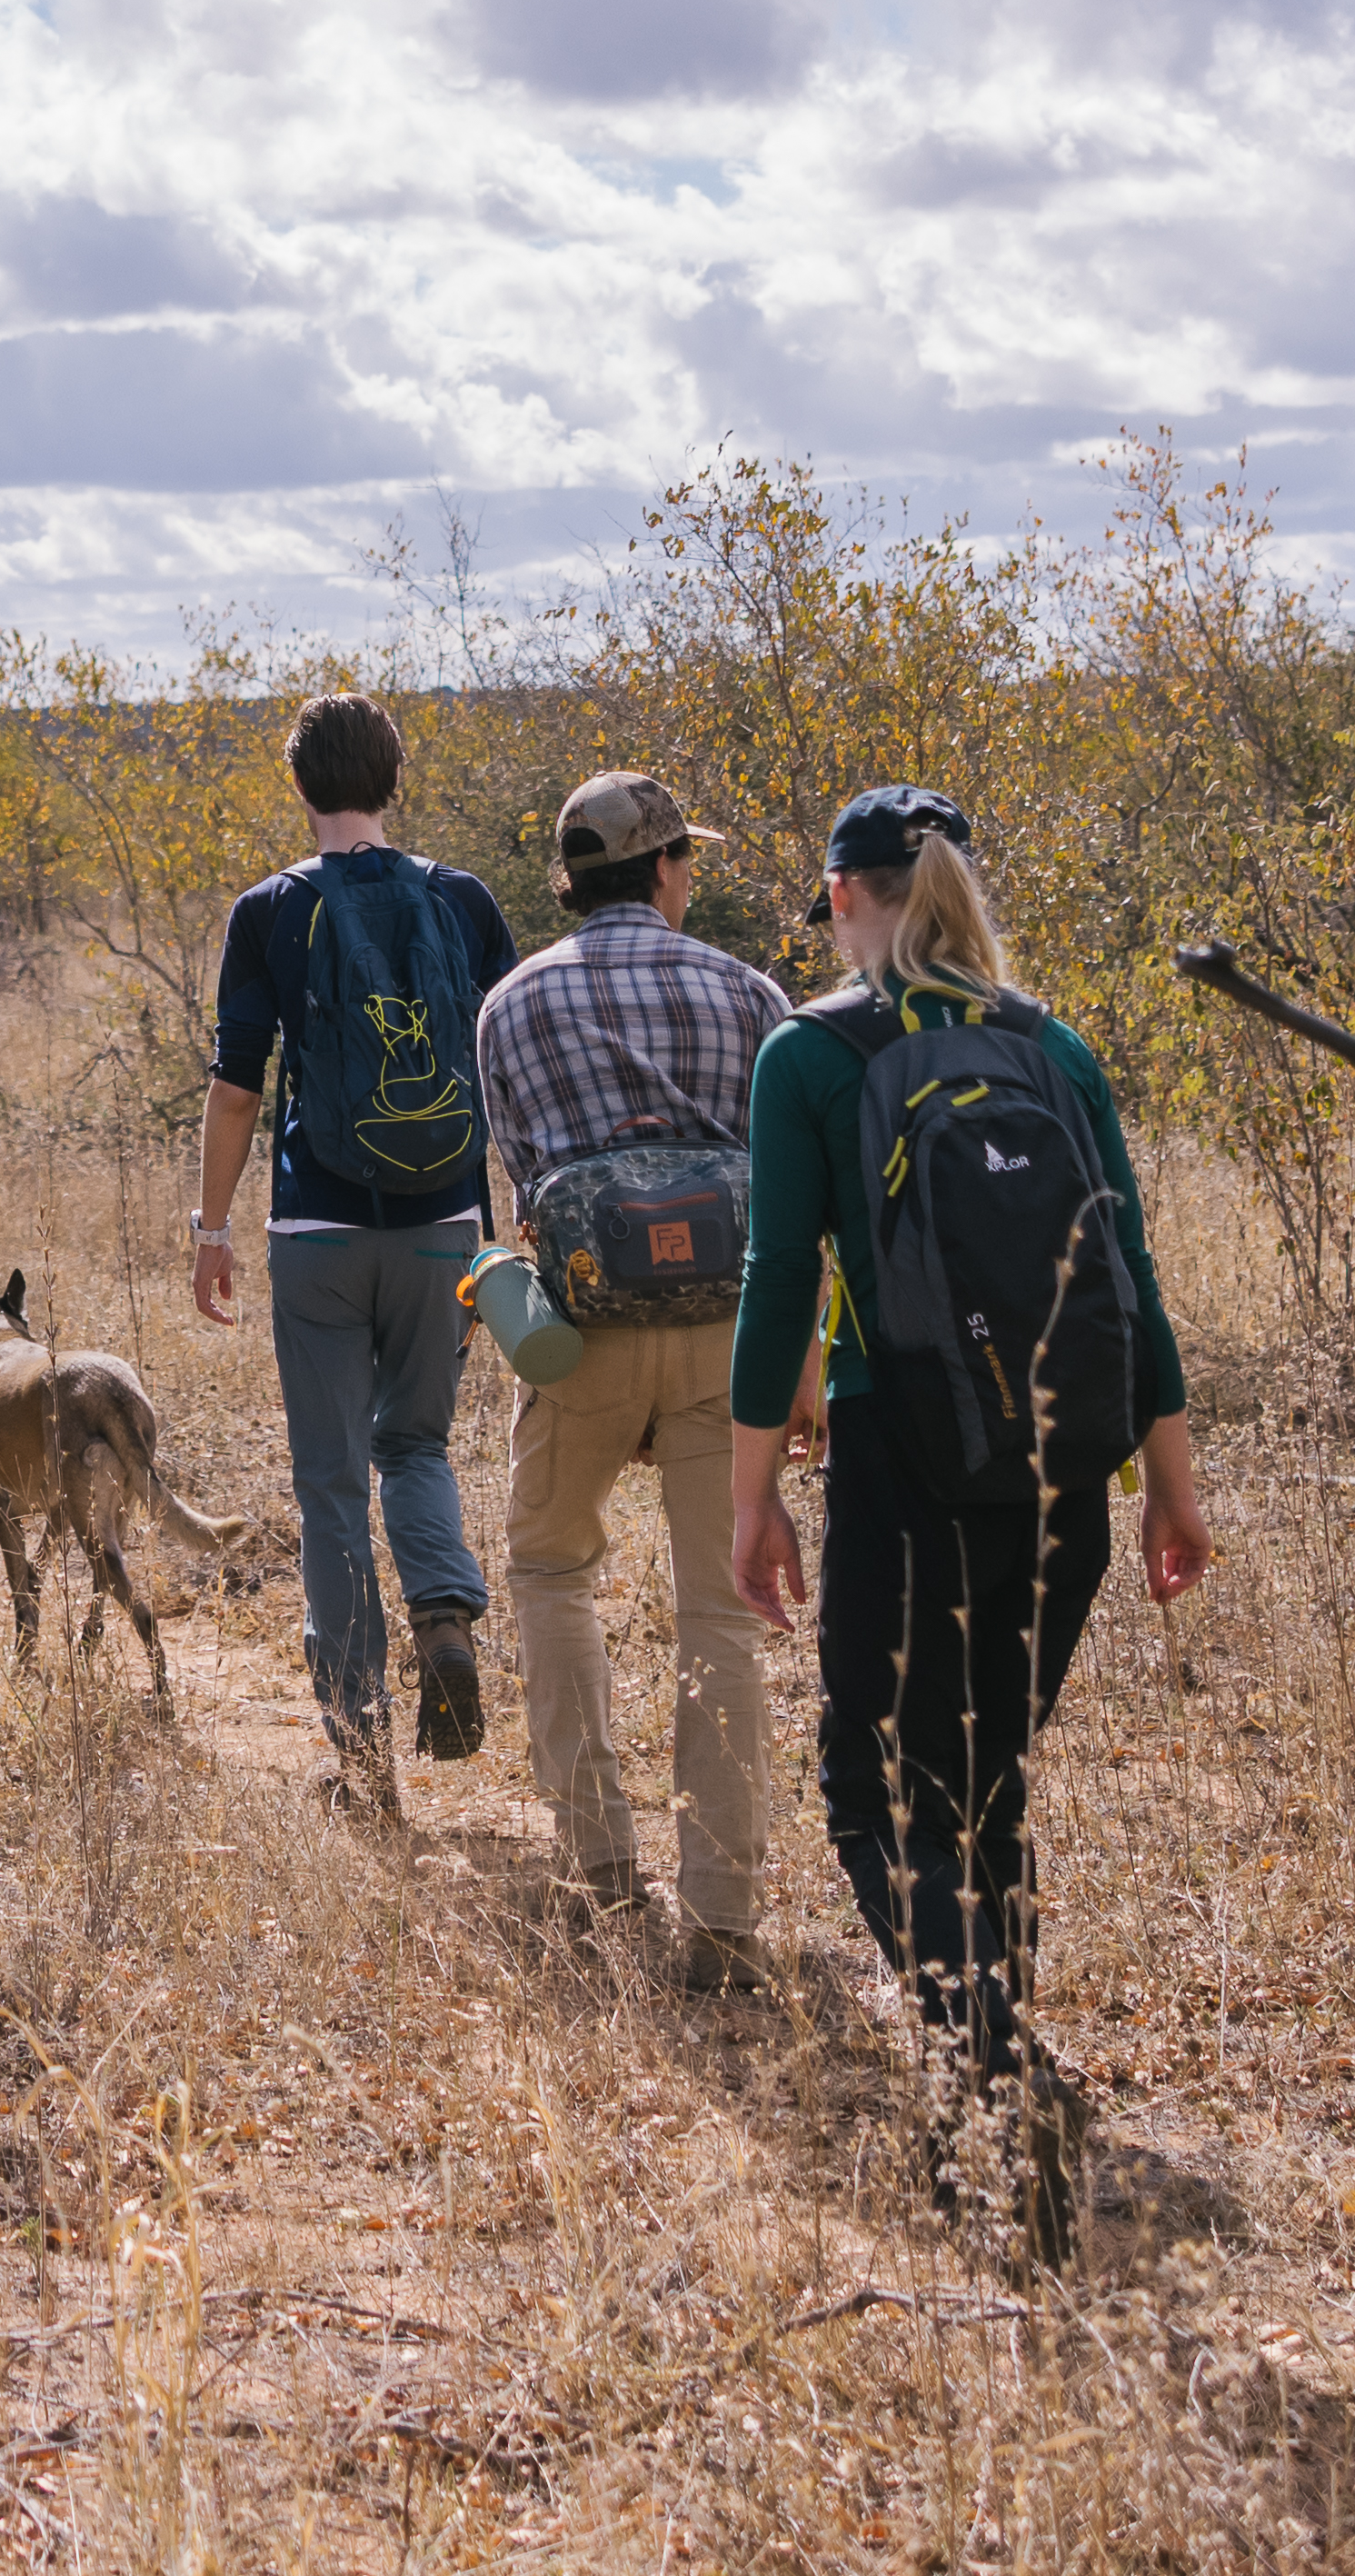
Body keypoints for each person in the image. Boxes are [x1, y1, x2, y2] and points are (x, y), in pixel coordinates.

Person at [721, 784, 1205, 2255]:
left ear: (847, 896)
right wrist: (1170, 1479)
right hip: (1069, 1469)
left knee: (874, 1789)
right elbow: (1132, 1272)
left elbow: (775, 1283)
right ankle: (978, 2101)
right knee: (981, 1780)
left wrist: (750, 1495)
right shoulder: (1051, 1044)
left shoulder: (813, 1048)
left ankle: (992, 2070)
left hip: (902, 1454)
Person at [466, 770, 792, 1986]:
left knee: (552, 1566)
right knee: (719, 1608)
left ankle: (601, 1862)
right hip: (728, 1335)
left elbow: (522, 1179)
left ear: (570, 877)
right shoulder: (749, 990)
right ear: (662, 870)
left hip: (580, 1334)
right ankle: (721, 1913)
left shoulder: (512, 1003)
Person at [189, 693, 507, 1810]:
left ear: (301, 787)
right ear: (392, 778)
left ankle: (361, 1749)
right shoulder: (460, 901)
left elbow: (237, 1088)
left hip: (316, 1233)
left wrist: (211, 1226)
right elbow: (499, 1076)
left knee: (330, 1484)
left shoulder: (269, 909)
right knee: (415, 1445)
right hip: (441, 1231)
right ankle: (443, 1609)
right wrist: (496, 1231)